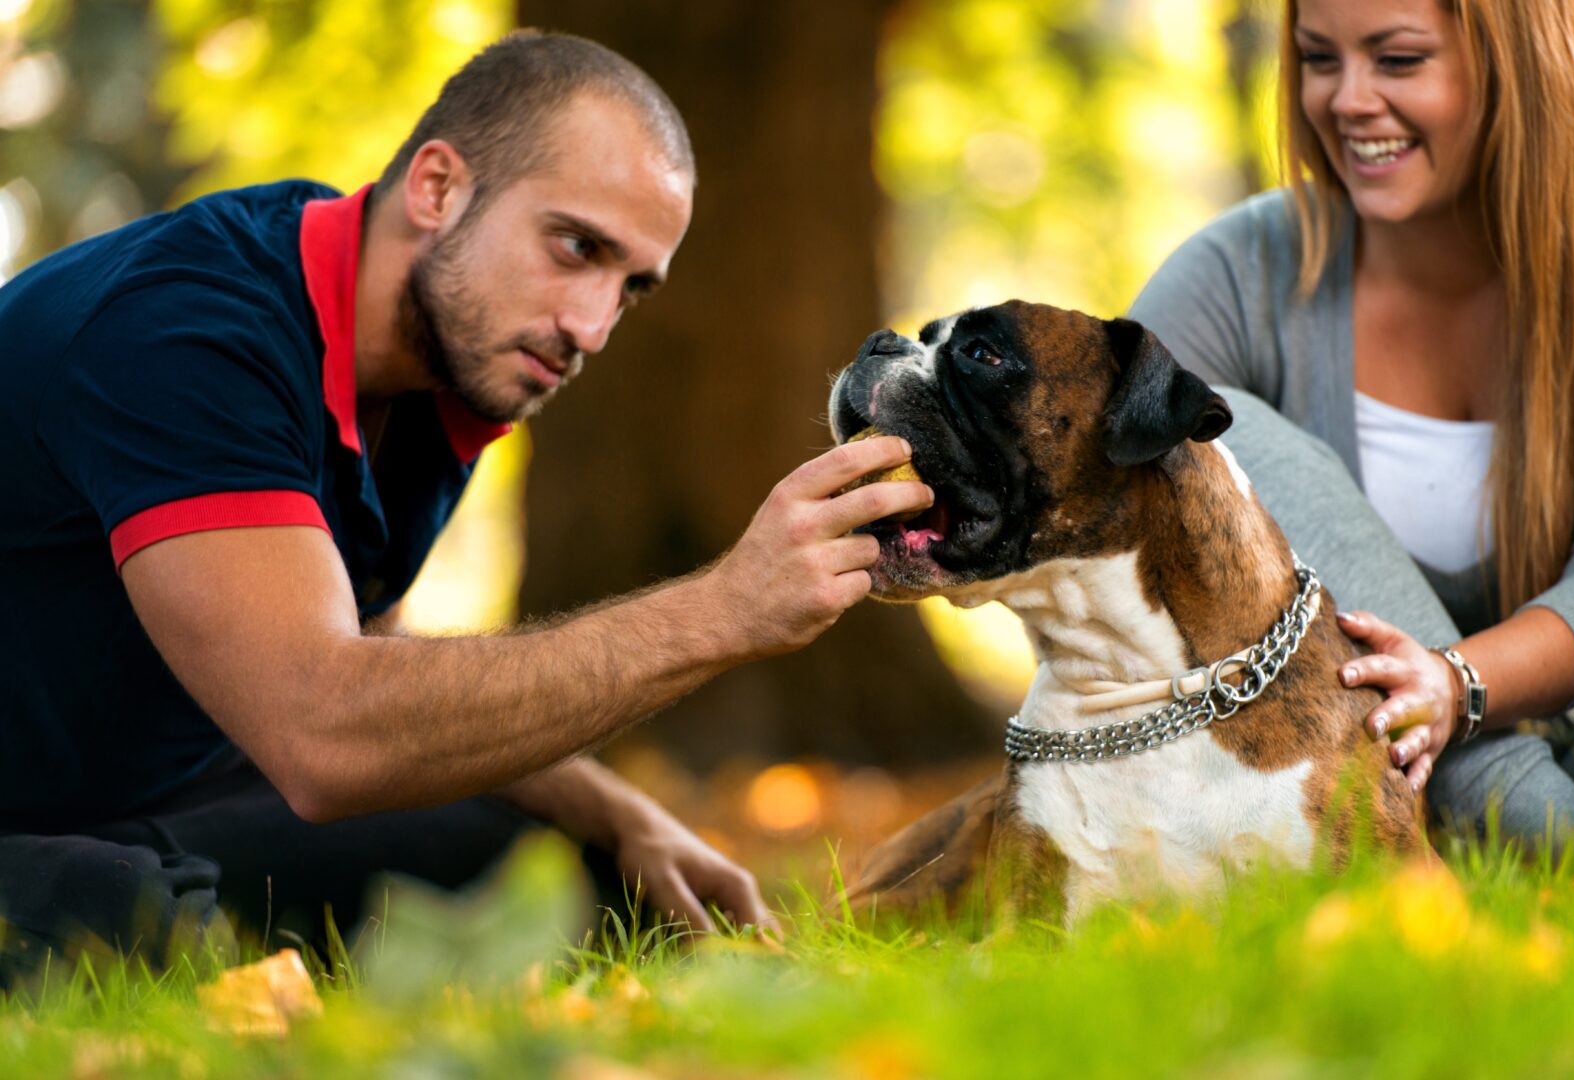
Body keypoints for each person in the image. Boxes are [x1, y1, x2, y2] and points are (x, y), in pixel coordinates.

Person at [0, 31, 932, 981]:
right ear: (438, 188)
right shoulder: (191, 331)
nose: (592, 328)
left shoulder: (436, 373)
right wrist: (724, 609)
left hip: (111, 806)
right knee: (121, 915)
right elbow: (323, 730)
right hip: (86, 816)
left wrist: (625, 817)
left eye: (629, 288)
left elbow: (368, 641)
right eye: (576, 248)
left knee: (586, 873)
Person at [1130, 0, 1574, 856]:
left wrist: (1455, 683)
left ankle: (1549, 849)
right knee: (1207, 429)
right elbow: (1086, 445)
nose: (1347, 100)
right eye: (1321, 60)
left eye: (1397, 60)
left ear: (1520, 65)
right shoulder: (1246, 270)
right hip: (1379, 805)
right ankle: (1549, 848)